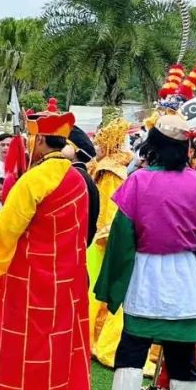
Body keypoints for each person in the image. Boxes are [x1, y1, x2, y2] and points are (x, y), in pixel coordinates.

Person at [90, 114, 196, 390]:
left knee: (133, 347)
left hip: (146, 272)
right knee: (182, 351)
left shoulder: (137, 182)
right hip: (185, 273)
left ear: (154, 146)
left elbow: (121, 237)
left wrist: (114, 282)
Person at [0, 100, 92, 390]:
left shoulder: (34, 180)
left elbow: (2, 231)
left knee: (21, 348)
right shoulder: (77, 178)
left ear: (40, 141)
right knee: (56, 349)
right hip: (66, 278)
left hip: (27, 277)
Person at [87, 118, 134, 367]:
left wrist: (105, 235)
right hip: (105, 237)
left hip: (104, 239)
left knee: (98, 290)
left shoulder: (109, 172)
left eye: (99, 143)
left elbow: (110, 210)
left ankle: (96, 339)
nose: (95, 147)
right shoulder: (111, 168)